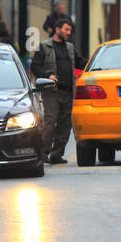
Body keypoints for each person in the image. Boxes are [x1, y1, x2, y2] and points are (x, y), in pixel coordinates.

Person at [31, 17, 80, 164]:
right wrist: (48, 76)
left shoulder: (70, 48)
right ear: (57, 30)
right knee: (50, 123)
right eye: (66, 29)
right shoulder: (43, 46)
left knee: (65, 125)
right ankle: (43, 153)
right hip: (52, 92)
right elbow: (35, 66)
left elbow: (81, 61)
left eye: (70, 30)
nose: (69, 32)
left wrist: (97, 63)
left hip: (68, 92)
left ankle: (56, 154)